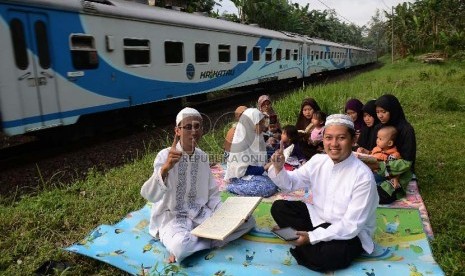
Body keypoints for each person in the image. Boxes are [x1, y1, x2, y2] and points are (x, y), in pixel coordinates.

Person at [140, 107, 256, 263]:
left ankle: (203, 241)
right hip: (173, 217)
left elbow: (213, 194)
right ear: (177, 131)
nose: (193, 131)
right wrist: (165, 169)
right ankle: (211, 240)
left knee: (248, 220)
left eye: (197, 127)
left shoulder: (202, 156)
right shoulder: (165, 155)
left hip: (201, 213)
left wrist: (227, 215)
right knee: (181, 246)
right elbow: (149, 195)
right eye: (188, 127)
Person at [268, 114, 379, 272]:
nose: (334, 144)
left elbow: (350, 226)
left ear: (353, 140)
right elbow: (291, 183)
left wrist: (312, 237)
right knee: (279, 207)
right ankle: (307, 243)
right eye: (328, 137)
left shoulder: (363, 177)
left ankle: (303, 243)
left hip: (350, 232)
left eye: (341, 138)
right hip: (318, 218)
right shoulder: (318, 161)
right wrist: (279, 168)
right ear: (323, 139)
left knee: (329, 255)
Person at [225, 108, 279, 197]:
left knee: (277, 179)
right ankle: (232, 187)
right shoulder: (241, 143)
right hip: (240, 177)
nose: (263, 126)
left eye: (263, 123)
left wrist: (273, 154)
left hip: (253, 174)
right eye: (260, 124)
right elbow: (243, 170)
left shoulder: (257, 136)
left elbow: (260, 155)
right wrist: (265, 167)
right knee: (268, 187)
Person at [359, 94, 417, 172]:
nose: (380, 116)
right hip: (378, 168)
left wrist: (382, 166)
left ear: (393, 110)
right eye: (377, 112)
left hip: (399, 171)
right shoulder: (379, 128)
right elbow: (375, 151)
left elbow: (408, 161)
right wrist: (365, 152)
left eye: (384, 112)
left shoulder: (406, 130)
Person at [364, 125, 412, 204]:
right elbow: (372, 155)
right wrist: (365, 153)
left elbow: (396, 170)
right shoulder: (376, 149)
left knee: (372, 181)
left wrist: (396, 178)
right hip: (372, 172)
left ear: (389, 143)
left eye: (380, 139)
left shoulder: (393, 155)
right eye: (377, 137)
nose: (377, 141)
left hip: (383, 176)